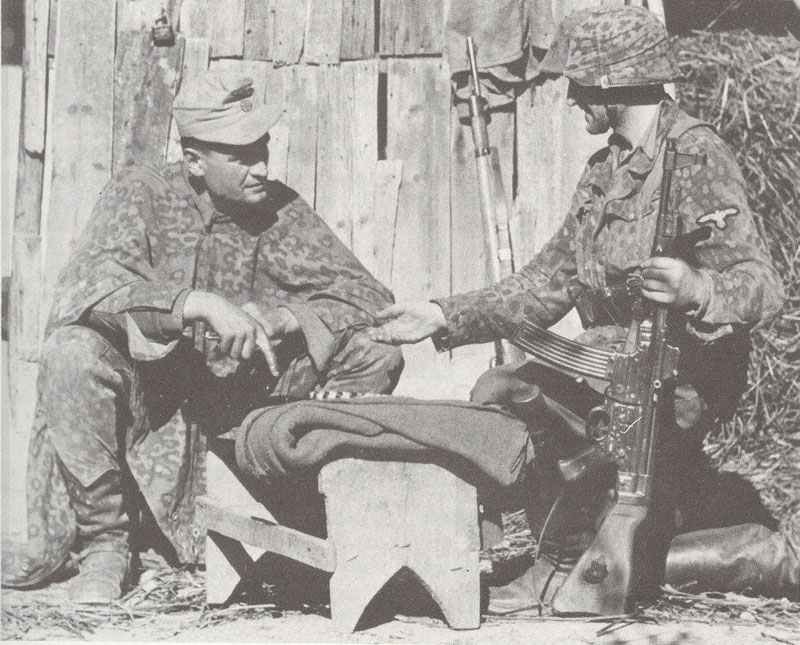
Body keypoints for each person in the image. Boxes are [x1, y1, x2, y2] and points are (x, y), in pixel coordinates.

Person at [369, 6, 797, 609]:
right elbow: (547, 282)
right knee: (501, 387)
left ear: (614, 82)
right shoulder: (604, 173)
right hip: (606, 368)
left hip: (673, 382)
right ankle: (570, 555)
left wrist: (697, 288)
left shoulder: (695, 156)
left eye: (579, 84)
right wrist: (442, 314)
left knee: (531, 405)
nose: (572, 99)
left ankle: (582, 560)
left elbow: (763, 285)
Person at [1, 72, 403, 603]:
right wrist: (193, 304)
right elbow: (88, 289)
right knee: (70, 352)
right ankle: (106, 546)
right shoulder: (141, 192)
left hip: (244, 407)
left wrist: (287, 317)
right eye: (241, 156)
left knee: (375, 349)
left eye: (261, 149)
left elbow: (372, 299)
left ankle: (312, 515)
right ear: (194, 160)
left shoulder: (278, 209)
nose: (260, 167)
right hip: (153, 408)